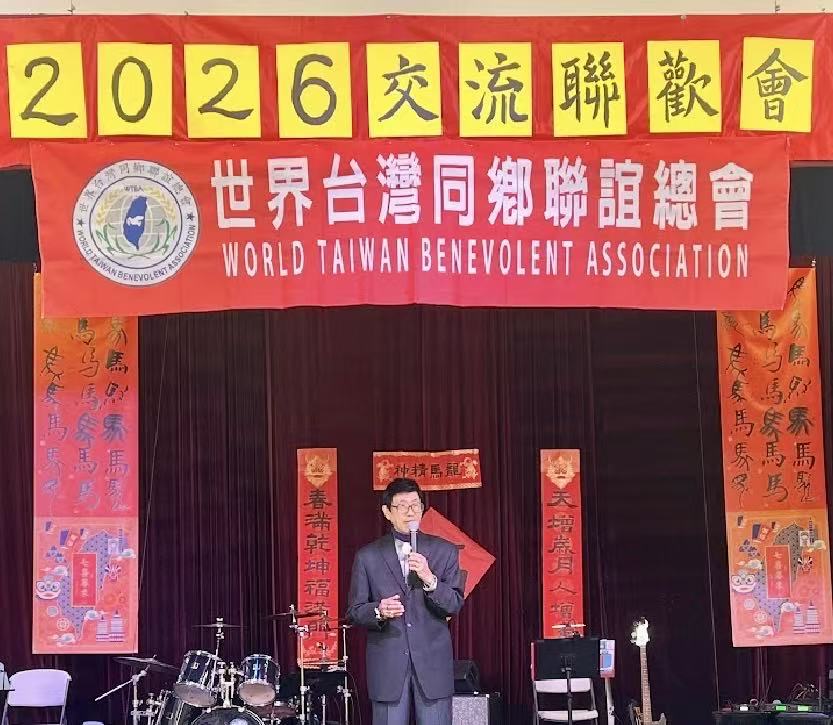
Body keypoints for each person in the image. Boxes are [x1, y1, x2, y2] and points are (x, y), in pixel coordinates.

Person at [347, 477, 464, 725]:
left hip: (432, 665)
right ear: (387, 512)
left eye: (415, 504)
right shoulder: (368, 556)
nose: (410, 511)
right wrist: (378, 611)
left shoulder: (445, 551)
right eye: (402, 505)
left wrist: (430, 578)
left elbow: (454, 603)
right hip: (388, 666)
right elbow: (355, 611)